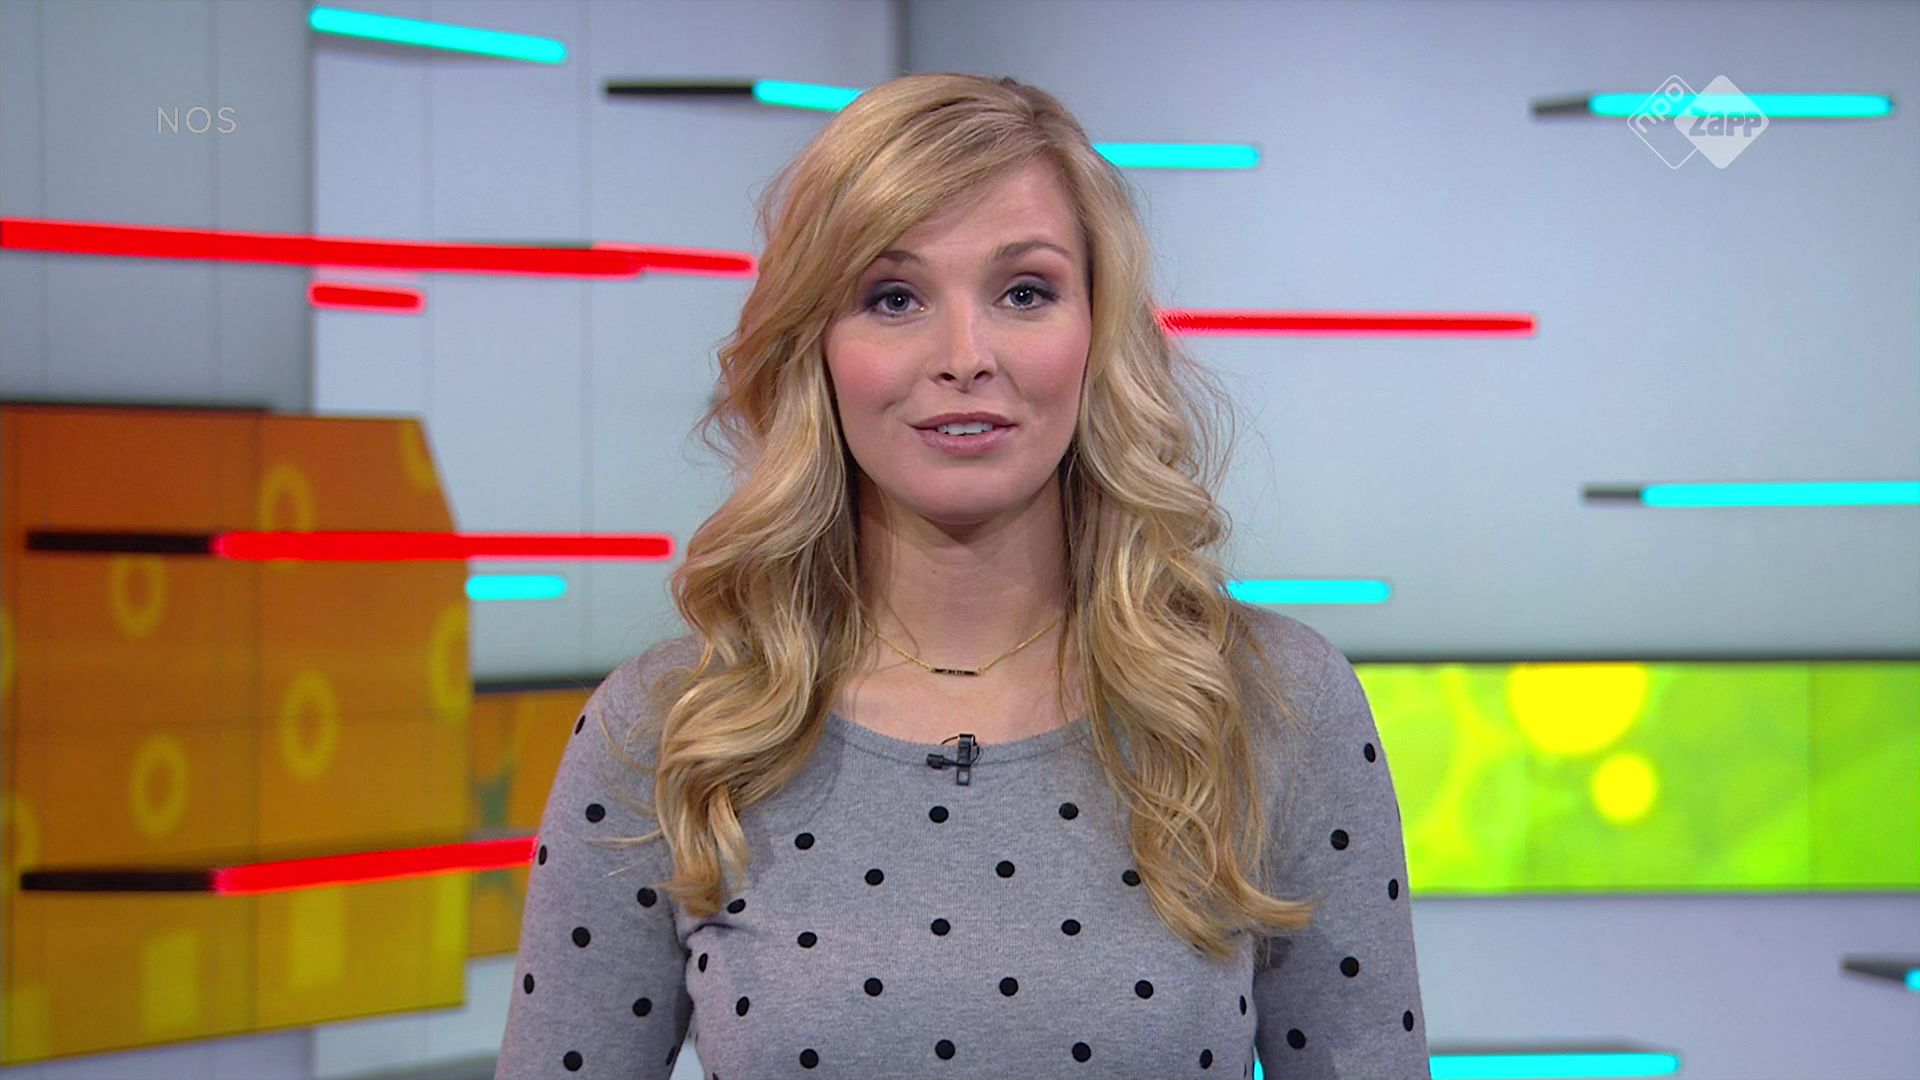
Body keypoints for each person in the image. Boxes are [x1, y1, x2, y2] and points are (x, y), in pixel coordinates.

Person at [495, 72, 1430, 1079]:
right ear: (816, 348)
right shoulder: (667, 733)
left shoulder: (1273, 705)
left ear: (1098, 332)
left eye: (1024, 292)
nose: (965, 355)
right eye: (893, 298)